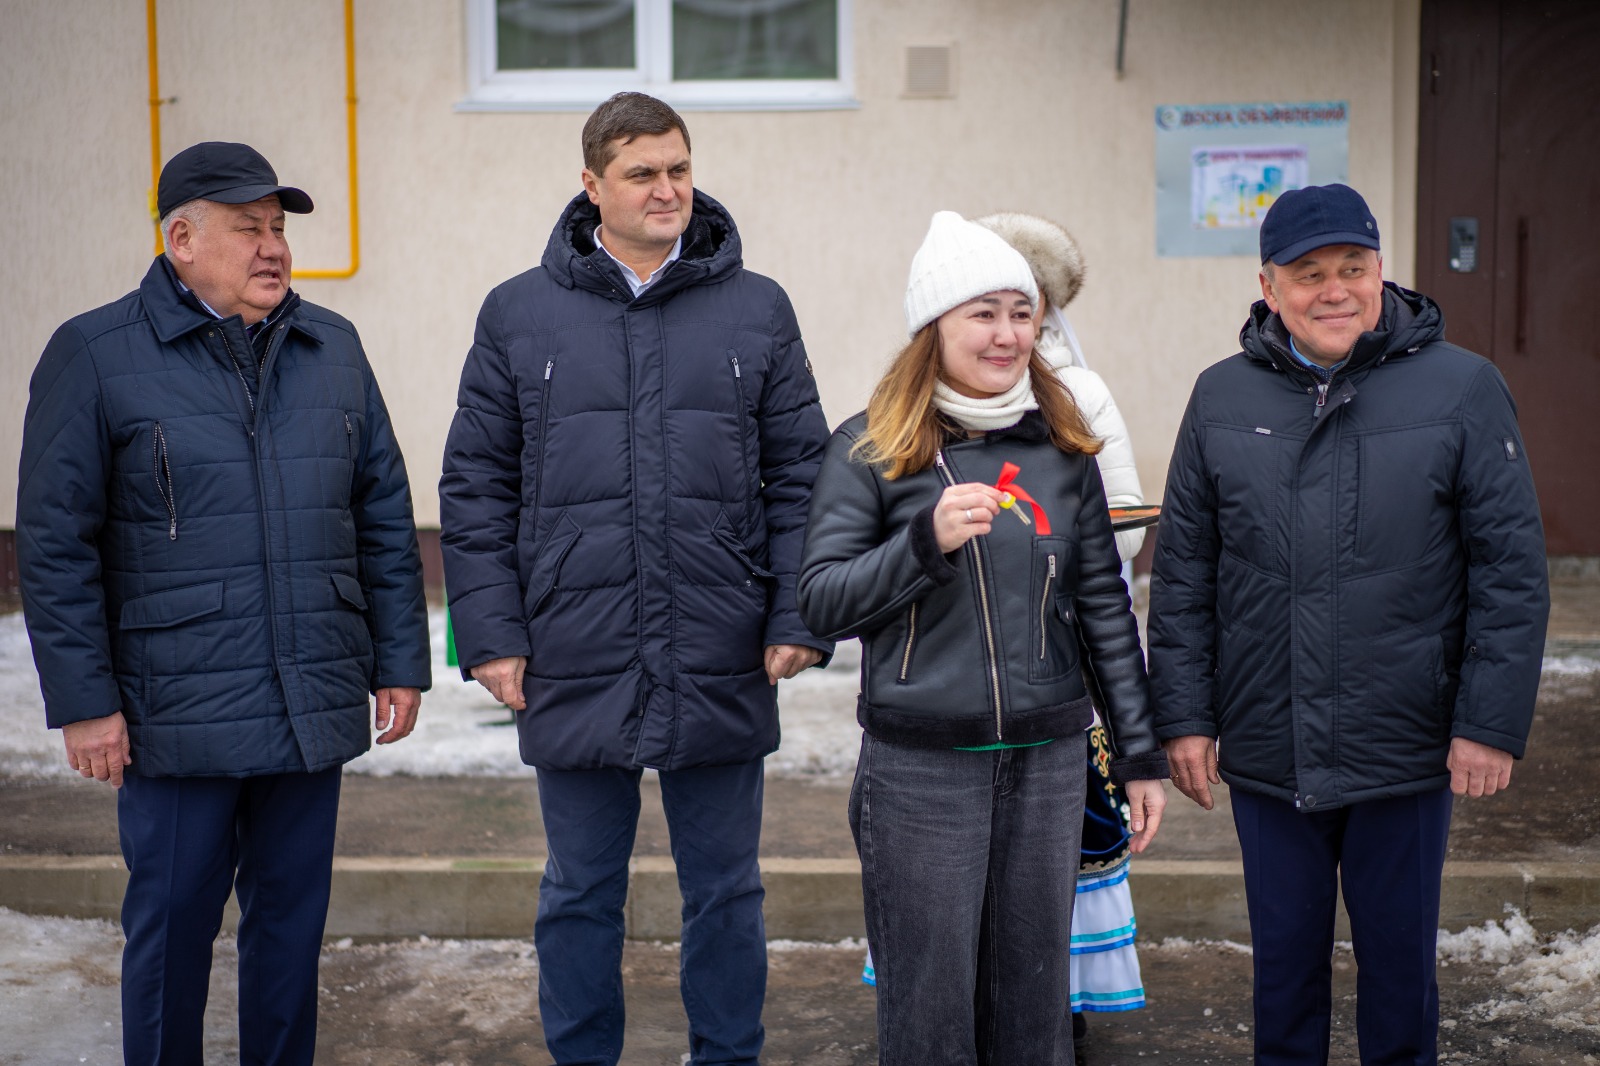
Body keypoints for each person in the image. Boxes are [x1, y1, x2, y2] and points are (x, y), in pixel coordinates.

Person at [438, 92, 832, 1066]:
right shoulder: (518, 313)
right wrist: (490, 634)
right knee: (578, 887)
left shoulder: (757, 307)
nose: (668, 189)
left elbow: (805, 478)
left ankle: (726, 1054)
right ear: (591, 186)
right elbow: (475, 486)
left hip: (719, 643)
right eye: (642, 173)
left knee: (727, 888)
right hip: (575, 647)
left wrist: (798, 611)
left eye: (679, 168)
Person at [17, 140, 431, 1064]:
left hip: (307, 699)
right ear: (181, 239)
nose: (273, 248)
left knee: (289, 930)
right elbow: (53, 544)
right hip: (175, 712)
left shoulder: (335, 347)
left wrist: (400, 659)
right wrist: (87, 703)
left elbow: (382, 513)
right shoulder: (94, 354)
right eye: (249, 229)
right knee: (171, 930)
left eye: (279, 229)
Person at [1148, 183, 1549, 1065]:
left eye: (1353, 269)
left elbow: (1511, 572)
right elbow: (1183, 573)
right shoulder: (1220, 397)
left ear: (1380, 272)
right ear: (1269, 286)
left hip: (1404, 742)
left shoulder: (1464, 388)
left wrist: (1486, 723)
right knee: (1283, 976)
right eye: (1309, 274)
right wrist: (1183, 715)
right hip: (1269, 740)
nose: (1334, 290)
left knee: (1401, 976)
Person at [797, 211, 1169, 1065]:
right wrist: (921, 544)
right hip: (921, 770)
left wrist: (1140, 757)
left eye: (1020, 311)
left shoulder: (1064, 445)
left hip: (1047, 762)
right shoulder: (872, 447)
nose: (1006, 334)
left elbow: (1104, 610)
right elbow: (821, 603)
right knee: (928, 1012)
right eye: (982, 313)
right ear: (935, 326)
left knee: (1034, 1008)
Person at [976, 212, 1150, 1038]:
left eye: (1024, 305)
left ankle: (1058, 1009)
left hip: (1061, 654)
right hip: (965, 670)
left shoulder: (1081, 393)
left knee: (1068, 836)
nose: (1007, 328)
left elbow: (1126, 527)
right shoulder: (934, 395)